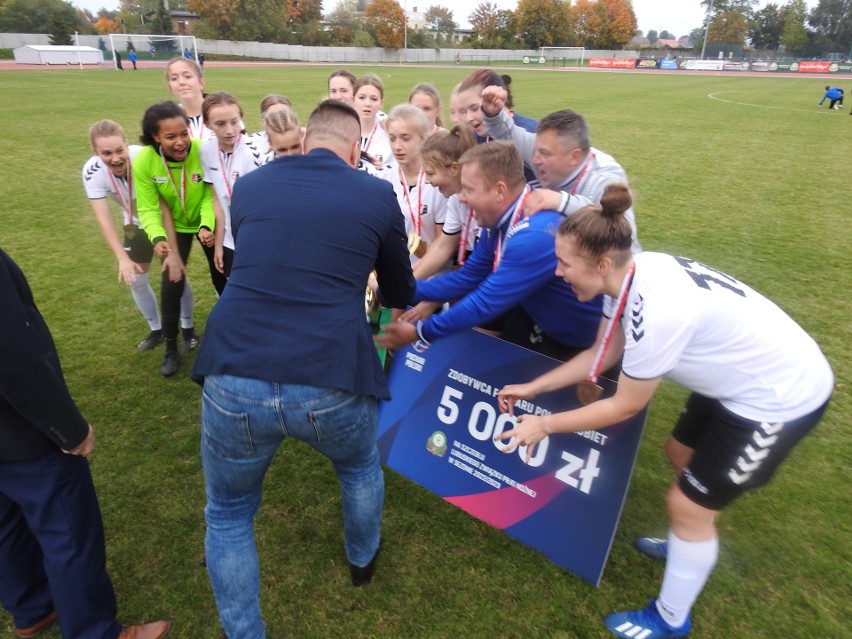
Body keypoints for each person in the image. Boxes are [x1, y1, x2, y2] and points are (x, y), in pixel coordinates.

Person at [495, 184, 833, 639]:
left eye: (564, 263)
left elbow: (625, 405)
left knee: (687, 505)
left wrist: (544, 424)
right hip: (738, 379)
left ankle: (671, 617)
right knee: (679, 452)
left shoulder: (656, 311)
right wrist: (534, 386)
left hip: (778, 395)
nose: (558, 272)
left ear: (601, 263)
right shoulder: (628, 273)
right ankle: (689, 539)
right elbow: (603, 350)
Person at [191, 100, 415, 639]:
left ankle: (243, 633)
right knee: (358, 468)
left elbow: (262, 259)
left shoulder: (249, 186)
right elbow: (401, 291)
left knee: (228, 512)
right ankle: (362, 562)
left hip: (233, 368)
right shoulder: (375, 192)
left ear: (306, 140)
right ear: (357, 148)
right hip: (329, 374)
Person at [0, 247, 171, 639]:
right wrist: (66, 428)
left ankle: (31, 607)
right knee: (69, 534)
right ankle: (93, 631)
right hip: (22, 431)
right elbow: (9, 352)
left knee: (6, 522)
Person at [378, 141, 601, 362]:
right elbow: (467, 278)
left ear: (499, 190)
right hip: (543, 319)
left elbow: (485, 302)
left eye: (469, 189)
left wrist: (422, 331)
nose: (462, 197)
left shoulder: (533, 235)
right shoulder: (497, 222)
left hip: (585, 340)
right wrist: (396, 290)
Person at [82, 119, 196, 352]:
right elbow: (103, 219)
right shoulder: (92, 172)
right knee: (137, 279)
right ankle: (157, 329)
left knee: (174, 275)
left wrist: (163, 239)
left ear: (127, 144)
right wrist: (122, 259)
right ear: (95, 152)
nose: (115, 158)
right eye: (106, 153)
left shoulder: (143, 157)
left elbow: (163, 203)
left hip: (162, 221)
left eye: (119, 150)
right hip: (134, 223)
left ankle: (188, 327)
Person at [479, 93, 641, 252]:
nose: (535, 160)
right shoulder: (542, 151)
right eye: (537, 150)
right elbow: (508, 133)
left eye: (545, 154)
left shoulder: (605, 178)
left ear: (574, 156)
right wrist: (493, 113)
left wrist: (562, 202)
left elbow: (622, 237)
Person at [132, 100, 220, 377]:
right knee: (172, 281)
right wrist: (158, 238)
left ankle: (233, 338)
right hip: (175, 229)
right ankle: (171, 347)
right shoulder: (145, 161)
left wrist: (207, 225)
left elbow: (209, 194)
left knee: (222, 275)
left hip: (206, 223)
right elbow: (147, 207)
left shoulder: (201, 151)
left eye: (184, 133)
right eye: (171, 136)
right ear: (155, 137)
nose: (181, 142)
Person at [200, 92, 264, 281]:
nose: (229, 130)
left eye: (234, 122)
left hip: (254, 238)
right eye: (220, 124)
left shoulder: (253, 154)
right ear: (207, 124)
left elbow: (260, 207)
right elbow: (219, 201)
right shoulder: (206, 151)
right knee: (234, 287)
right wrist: (220, 244)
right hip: (229, 239)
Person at [376, 104, 447, 264]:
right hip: (391, 274)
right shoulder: (382, 179)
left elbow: (443, 246)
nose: (397, 146)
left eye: (405, 138)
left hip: (428, 276)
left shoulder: (438, 185)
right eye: (392, 138)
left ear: (424, 139)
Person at [165, 57, 213, 142]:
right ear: (170, 88)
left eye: (187, 76)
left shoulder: (223, 112)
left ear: (201, 83)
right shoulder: (168, 119)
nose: (181, 82)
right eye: (174, 78)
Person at [354, 73, 392, 168]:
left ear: (381, 103)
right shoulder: (343, 131)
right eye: (362, 98)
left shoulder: (389, 135)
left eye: (374, 99)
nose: (367, 103)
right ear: (353, 100)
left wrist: (384, 169)